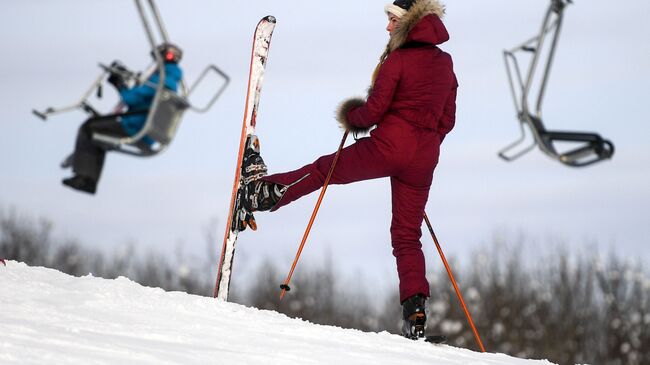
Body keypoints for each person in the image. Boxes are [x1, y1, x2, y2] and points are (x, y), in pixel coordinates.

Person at [243, 0, 457, 339]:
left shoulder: (397, 60)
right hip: (424, 159)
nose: (387, 27)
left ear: (407, 23)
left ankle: (262, 193)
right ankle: (415, 315)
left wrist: (352, 115)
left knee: (323, 170)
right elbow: (448, 120)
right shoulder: (445, 63)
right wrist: (422, 144)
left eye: (391, 20)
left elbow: (372, 112)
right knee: (406, 235)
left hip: (388, 148)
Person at [61, 43, 184, 194]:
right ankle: (87, 178)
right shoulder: (171, 82)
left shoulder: (159, 80)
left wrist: (120, 85)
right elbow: (141, 98)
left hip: (136, 126)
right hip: (146, 130)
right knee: (99, 135)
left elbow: (131, 99)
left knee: (89, 127)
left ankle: (85, 177)